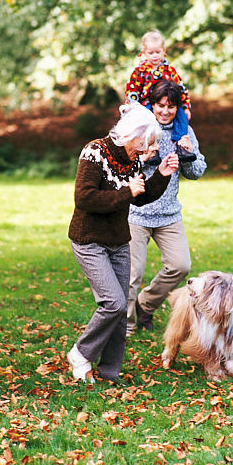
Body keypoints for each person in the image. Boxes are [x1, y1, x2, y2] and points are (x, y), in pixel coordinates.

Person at [67, 102, 179, 384]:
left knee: (122, 306)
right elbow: (85, 198)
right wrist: (125, 191)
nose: (148, 150)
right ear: (133, 134)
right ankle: (81, 353)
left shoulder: (133, 158)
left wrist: (161, 176)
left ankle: (109, 372)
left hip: (118, 241)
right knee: (113, 303)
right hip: (89, 239)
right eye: (146, 143)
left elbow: (139, 196)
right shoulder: (95, 152)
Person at [127, 80, 207, 336]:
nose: (164, 111)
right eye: (160, 105)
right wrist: (143, 158)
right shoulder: (140, 127)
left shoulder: (183, 130)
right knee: (132, 274)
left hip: (168, 214)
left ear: (177, 108)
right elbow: (122, 168)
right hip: (137, 212)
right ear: (152, 104)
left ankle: (145, 305)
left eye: (170, 107)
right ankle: (125, 327)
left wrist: (188, 153)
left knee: (180, 266)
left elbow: (196, 173)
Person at [125, 30, 195, 162]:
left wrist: (185, 106)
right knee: (148, 122)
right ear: (143, 53)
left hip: (169, 101)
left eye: (158, 52)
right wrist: (132, 106)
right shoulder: (140, 71)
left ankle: (181, 145)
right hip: (148, 104)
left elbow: (181, 88)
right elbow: (132, 89)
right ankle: (152, 149)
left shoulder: (170, 70)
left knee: (182, 118)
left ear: (164, 51)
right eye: (150, 53)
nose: (154, 56)